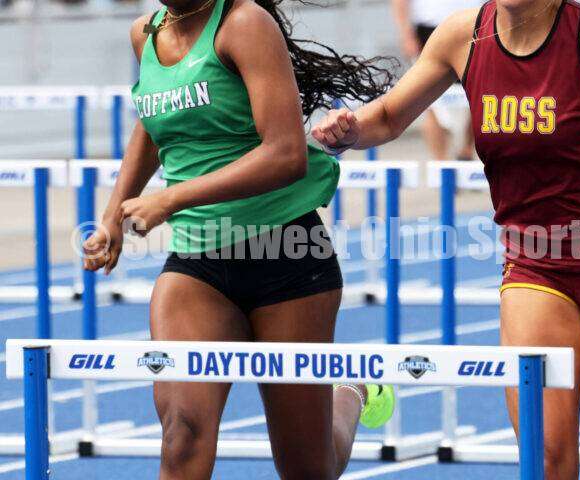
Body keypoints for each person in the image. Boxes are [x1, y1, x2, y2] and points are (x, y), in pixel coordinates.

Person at [312, 0, 580, 478]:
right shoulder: (461, 37)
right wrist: (349, 130)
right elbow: (386, 118)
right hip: (535, 266)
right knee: (547, 458)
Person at [82, 0, 396, 478]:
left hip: (287, 256)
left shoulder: (244, 24)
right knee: (181, 431)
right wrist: (112, 216)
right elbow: (151, 124)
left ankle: (350, 392)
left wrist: (171, 200)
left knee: (309, 469)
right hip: (197, 265)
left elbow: (286, 153)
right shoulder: (145, 34)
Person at [391, 0, 482, 160]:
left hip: (476, 24)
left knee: (479, 97)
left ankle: (466, 153)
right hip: (431, 27)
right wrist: (406, 34)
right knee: (429, 103)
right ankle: (441, 165)